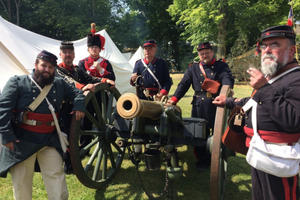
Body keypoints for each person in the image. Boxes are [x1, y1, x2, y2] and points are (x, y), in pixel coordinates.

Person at [213, 25, 300, 200]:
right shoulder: (274, 77)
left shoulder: (296, 78)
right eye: (264, 46)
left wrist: (263, 88)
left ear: (292, 50)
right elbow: (254, 102)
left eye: (274, 45)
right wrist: (229, 101)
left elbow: (294, 120)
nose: (266, 50)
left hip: (279, 158)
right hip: (260, 152)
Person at [0, 50, 85, 200]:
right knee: (22, 184)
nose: (46, 70)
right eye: (43, 65)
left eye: (51, 67)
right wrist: (6, 136)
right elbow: (3, 109)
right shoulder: (17, 82)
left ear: (54, 69)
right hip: (22, 141)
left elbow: (77, 93)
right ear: (36, 65)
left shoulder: (59, 84)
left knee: (57, 180)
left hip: (49, 140)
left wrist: (79, 105)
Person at [167, 42, 234, 169]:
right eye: (202, 53)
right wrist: (174, 99)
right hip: (199, 105)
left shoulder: (221, 66)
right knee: (198, 133)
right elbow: (183, 84)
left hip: (216, 104)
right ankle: (202, 159)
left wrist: (225, 92)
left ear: (212, 52)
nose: (204, 55)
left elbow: (227, 79)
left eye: (207, 52)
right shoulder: (193, 68)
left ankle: (215, 157)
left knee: (216, 134)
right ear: (199, 55)